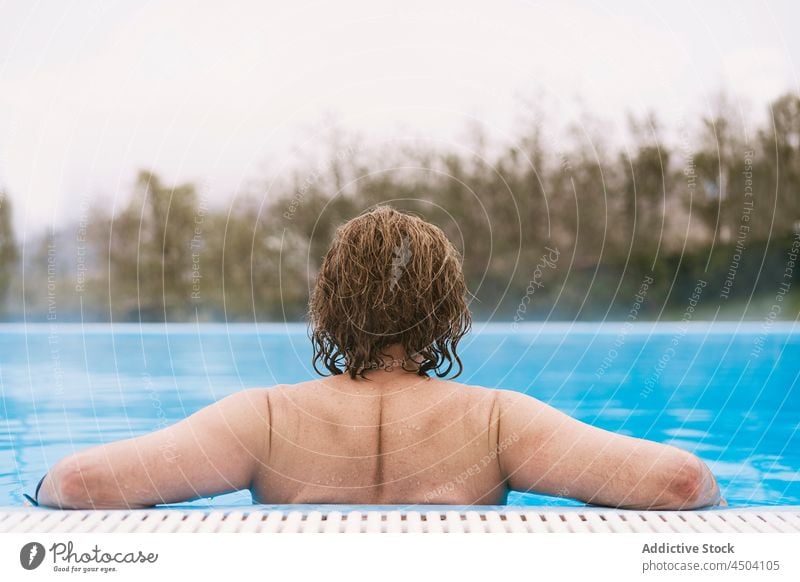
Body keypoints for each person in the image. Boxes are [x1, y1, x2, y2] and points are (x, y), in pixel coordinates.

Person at [30, 206, 722, 509]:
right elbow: (680, 485)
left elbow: (84, 484)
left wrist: (37, 490)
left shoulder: (262, 422)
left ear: (327, 307)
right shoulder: (497, 424)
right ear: (449, 311)